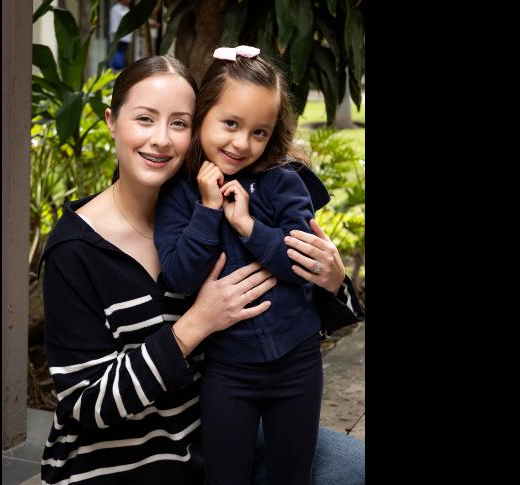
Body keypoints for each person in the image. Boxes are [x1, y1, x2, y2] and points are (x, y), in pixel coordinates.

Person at [38, 55, 364, 485]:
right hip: (123, 463)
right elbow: (83, 405)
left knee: (354, 466)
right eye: (144, 119)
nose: (160, 139)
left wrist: (335, 280)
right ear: (112, 121)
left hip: (211, 432)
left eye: (178, 122)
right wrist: (195, 325)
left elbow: (294, 301)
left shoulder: (219, 203)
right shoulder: (74, 251)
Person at [153, 45, 362, 485]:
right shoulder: (179, 196)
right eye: (230, 124)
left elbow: (303, 263)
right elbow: (179, 277)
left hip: (298, 362)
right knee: (226, 473)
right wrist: (209, 211)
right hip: (228, 370)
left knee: (292, 473)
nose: (242, 143)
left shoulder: (283, 182)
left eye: (259, 132)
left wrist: (249, 227)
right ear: (202, 114)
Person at [109, 0, 132, 70]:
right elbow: (114, 25)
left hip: (126, 38)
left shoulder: (126, 9)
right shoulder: (116, 9)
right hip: (120, 38)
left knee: (122, 57)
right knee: (118, 59)